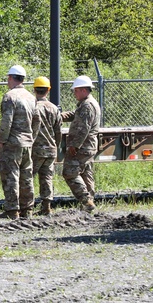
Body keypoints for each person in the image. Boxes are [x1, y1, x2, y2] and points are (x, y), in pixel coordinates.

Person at [0, 65, 40, 220]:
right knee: (26, 177)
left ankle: (12, 210)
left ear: (10, 78)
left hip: (12, 144)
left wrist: (2, 140)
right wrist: (31, 137)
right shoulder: (30, 97)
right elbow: (37, 121)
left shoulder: (10, 97)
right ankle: (27, 210)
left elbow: (6, 121)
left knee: (11, 176)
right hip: (27, 143)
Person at [62, 75, 100, 212]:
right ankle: (89, 202)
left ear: (84, 90)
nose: (74, 93)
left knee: (69, 172)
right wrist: (60, 116)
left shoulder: (87, 105)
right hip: (88, 146)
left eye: (76, 90)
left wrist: (75, 145)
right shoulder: (88, 104)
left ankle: (86, 200)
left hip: (82, 146)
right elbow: (76, 115)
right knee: (85, 173)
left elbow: (84, 128)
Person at [31, 76, 62, 216]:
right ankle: (46, 207)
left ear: (34, 89)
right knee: (47, 177)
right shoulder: (54, 108)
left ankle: (27, 207)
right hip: (51, 149)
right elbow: (58, 131)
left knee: (28, 177)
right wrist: (56, 145)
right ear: (48, 90)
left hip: (35, 149)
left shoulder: (32, 106)